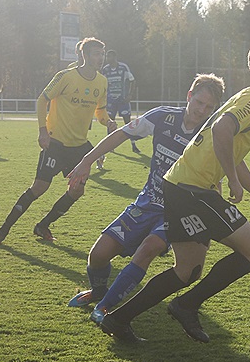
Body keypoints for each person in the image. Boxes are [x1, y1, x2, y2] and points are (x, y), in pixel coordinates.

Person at [99, 36, 250, 343]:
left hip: (182, 185)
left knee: (187, 270)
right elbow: (221, 131)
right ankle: (186, 304)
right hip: (192, 188)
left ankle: (119, 319)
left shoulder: (249, 99)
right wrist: (230, 179)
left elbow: (229, 147)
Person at [66, 74, 225, 324]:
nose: (201, 111)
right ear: (189, 96)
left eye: (209, 107)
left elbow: (216, 182)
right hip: (146, 203)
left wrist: (207, 229)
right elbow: (120, 135)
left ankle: (106, 309)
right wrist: (86, 161)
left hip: (177, 212)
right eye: (199, 103)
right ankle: (99, 293)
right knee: (98, 255)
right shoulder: (163, 117)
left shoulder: (211, 135)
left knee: (148, 248)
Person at [0, 37, 116, 247]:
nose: (100, 58)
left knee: (76, 191)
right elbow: (42, 100)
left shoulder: (102, 82)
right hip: (55, 143)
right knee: (39, 188)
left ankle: (43, 225)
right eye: (96, 53)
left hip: (80, 147)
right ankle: (2, 232)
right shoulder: (65, 76)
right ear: (85, 55)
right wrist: (42, 131)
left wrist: (108, 122)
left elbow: (100, 111)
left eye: (102, 53)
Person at [98, 50, 138, 169]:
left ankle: (133, 144)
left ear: (114, 57)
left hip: (122, 100)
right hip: (111, 100)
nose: (107, 58)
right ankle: (110, 146)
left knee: (128, 122)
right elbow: (102, 83)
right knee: (110, 123)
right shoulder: (105, 69)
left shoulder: (123, 68)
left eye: (109, 56)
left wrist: (130, 95)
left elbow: (132, 80)